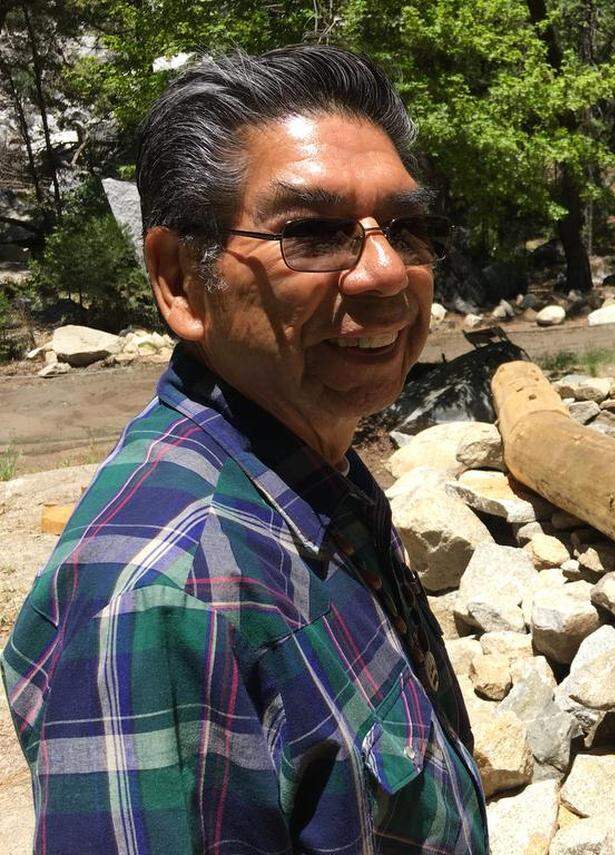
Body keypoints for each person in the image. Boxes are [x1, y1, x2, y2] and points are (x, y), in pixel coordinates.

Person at [2, 45, 488, 853]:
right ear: (181, 280)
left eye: (407, 227)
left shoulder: (312, 472)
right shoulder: (167, 594)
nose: (385, 271)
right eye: (312, 232)